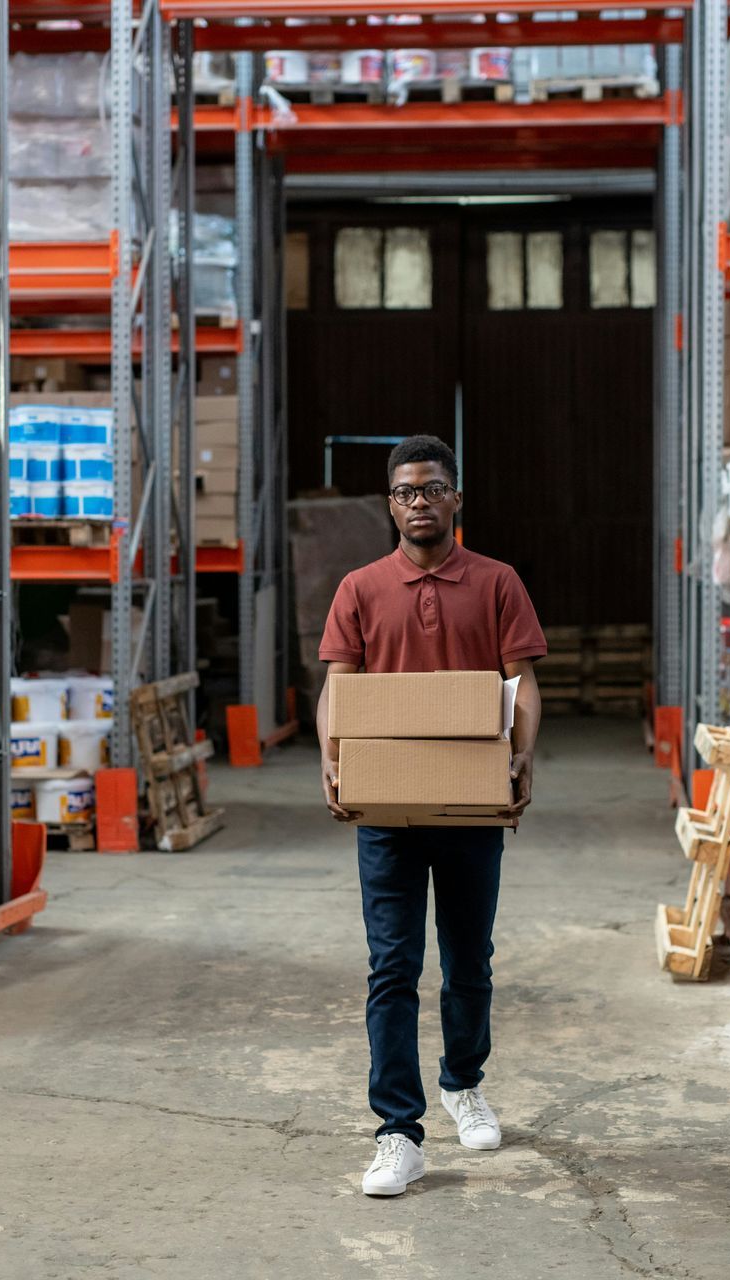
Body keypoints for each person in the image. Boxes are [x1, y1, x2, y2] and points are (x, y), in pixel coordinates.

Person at [316, 434, 545, 1197]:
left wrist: (520, 755)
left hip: (472, 804)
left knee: (469, 960)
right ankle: (397, 1131)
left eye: (433, 489)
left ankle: (462, 1082)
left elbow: (523, 681)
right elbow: (338, 690)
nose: (420, 502)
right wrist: (332, 754)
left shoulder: (497, 582)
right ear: (391, 505)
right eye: (407, 491)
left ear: (456, 499)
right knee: (392, 966)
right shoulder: (359, 588)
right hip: (387, 810)